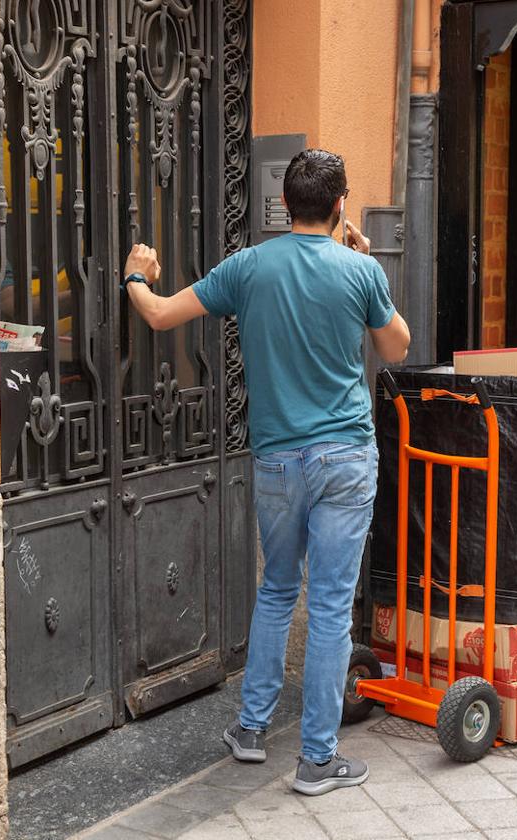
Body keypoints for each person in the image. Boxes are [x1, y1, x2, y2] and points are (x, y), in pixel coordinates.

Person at [121, 149, 410, 796]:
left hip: (278, 459)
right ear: (339, 206)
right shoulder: (358, 271)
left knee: (278, 589)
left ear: (286, 205)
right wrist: (366, 269)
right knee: (331, 606)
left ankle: (250, 732)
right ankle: (316, 760)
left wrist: (133, 277)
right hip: (344, 456)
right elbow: (396, 346)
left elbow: (162, 314)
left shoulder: (250, 267)